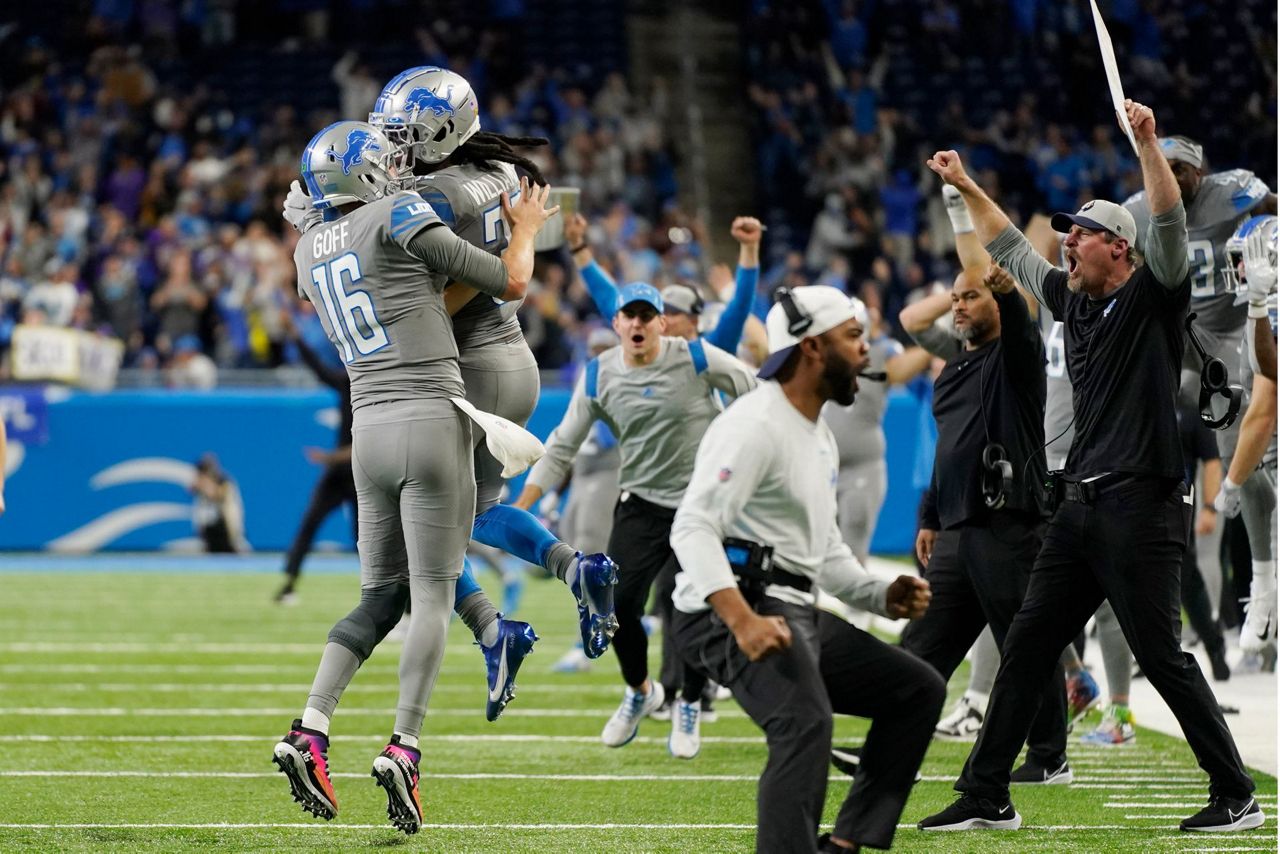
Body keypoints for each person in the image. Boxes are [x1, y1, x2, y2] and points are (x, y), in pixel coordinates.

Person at [919, 100, 1261, 834]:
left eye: (1082, 236)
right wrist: (966, 183)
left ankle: (1235, 791)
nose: (1068, 245)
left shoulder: (1153, 295)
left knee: (1161, 658)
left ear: (1120, 251)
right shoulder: (1070, 305)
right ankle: (987, 792)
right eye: (1069, 235)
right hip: (1076, 508)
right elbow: (1009, 248)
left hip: (1140, 507)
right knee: (1028, 647)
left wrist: (1146, 146)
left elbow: (1168, 223)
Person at [283, 66, 620, 720]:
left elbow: (411, 276)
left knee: (425, 544)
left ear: (443, 134)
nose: (394, 152)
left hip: (466, 362)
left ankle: (497, 629)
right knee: (470, 517)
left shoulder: (435, 195)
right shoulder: (485, 172)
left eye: (405, 139)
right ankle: (565, 577)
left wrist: (326, 220)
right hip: (497, 354)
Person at [271, 120, 557, 834]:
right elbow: (511, 281)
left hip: (367, 430)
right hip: (430, 416)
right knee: (431, 595)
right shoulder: (399, 212)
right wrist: (522, 226)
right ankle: (405, 745)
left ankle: (310, 726)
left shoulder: (307, 250)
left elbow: (355, 249)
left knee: (378, 599)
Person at [669, 285, 940, 853]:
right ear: (813, 348)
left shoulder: (817, 432)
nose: (866, 351)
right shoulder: (755, 424)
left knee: (916, 690)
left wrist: (879, 593)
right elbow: (692, 528)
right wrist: (742, 621)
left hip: (790, 608)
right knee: (804, 725)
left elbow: (826, 552)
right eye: (853, 336)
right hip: (726, 610)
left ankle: (843, 845)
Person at [514, 283, 758, 759]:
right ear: (617, 323)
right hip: (642, 503)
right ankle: (641, 690)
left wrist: (741, 453)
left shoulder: (696, 357)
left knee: (688, 604)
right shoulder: (599, 373)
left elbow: (754, 391)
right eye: (631, 315)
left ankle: (689, 701)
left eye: (648, 315)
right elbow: (562, 445)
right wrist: (524, 502)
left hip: (700, 505)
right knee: (616, 603)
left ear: (662, 323)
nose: (639, 323)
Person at [896, 248, 1067, 785]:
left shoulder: (1017, 359)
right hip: (955, 526)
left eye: (970, 296)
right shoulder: (951, 371)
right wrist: (929, 516)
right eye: (954, 298)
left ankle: (1047, 756)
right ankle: (890, 743)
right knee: (924, 643)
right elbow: (949, 448)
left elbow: (1019, 326)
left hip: (1008, 522)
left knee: (1025, 643)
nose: (959, 307)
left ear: (994, 299)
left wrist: (1010, 293)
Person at [1216, 215, 1278, 659]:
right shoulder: (1261, 314)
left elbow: (1264, 406)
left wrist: (1232, 480)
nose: (1238, 270)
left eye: (1245, 260)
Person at [275, 310, 357, 604]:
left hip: (361, 472)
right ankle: (289, 582)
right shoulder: (348, 384)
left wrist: (330, 458)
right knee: (309, 523)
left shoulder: (377, 391)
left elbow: (368, 444)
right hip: (340, 473)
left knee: (367, 539)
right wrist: (296, 337)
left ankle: (391, 598)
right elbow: (319, 369)